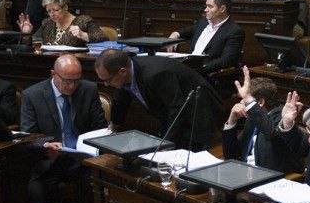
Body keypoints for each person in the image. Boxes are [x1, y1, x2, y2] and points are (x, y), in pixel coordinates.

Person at [20, 54, 107, 203]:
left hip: (80, 158)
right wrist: (45, 146)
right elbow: (28, 135)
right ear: (54, 74)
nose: (72, 86)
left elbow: (100, 127)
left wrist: (90, 148)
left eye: (76, 80)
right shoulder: (32, 95)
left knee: (91, 179)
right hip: (48, 158)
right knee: (36, 191)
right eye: (67, 81)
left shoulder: (88, 89)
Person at [94, 48, 223, 150]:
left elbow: (177, 109)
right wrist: (113, 126)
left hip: (200, 112)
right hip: (176, 113)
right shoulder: (124, 76)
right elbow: (121, 101)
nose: (106, 85)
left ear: (122, 71)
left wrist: (167, 144)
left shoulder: (154, 74)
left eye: (108, 80)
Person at [222, 66, 301, 174]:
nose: (240, 103)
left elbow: (270, 133)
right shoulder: (252, 119)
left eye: (244, 100)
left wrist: (249, 100)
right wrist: (231, 121)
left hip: (267, 177)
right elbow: (231, 155)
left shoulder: (282, 117)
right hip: (245, 173)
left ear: (260, 102)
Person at [167, 0, 245, 73]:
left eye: (210, 7)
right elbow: (187, 31)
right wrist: (175, 34)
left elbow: (226, 61)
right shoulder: (204, 22)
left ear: (222, 9)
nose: (205, 10)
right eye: (206, 6)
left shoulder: (234, 31)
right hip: (188, 69)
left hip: (208, 74)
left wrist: (200, 69)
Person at [16, 0, 106, 47]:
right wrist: (26, 34)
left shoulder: (83, 21)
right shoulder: (47, 23)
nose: (52, 14)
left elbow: (103, 38)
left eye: (55, 10)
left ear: (65, 7)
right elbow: (34, 45)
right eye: (49, 11)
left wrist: (83, 35)